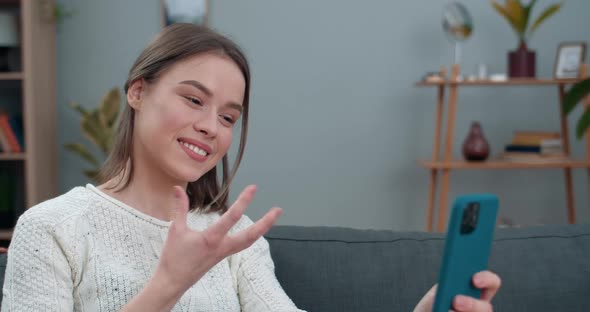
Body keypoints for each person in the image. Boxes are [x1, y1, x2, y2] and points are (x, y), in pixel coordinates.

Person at [1, 24, 500, 312]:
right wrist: (167, 285)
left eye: (228, 117)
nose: (210, 127)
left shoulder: (234, 239)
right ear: (138, 92)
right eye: (194, 99)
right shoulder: (53, 229)